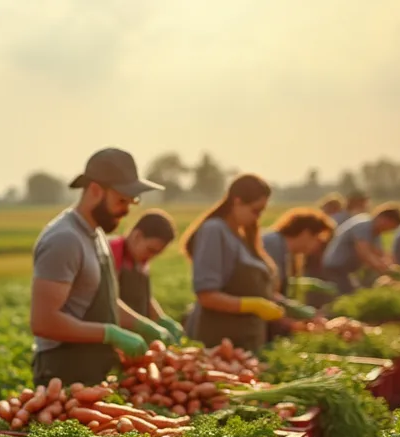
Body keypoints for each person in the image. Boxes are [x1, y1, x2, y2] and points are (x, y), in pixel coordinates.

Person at [29, 148, 174, 388]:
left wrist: (143, 325)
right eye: (121, 200)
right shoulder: (65, 239)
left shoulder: (96, 235)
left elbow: (101, 298)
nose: (127, 210)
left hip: (91, 368)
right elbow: (43, 322)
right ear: (96, 190)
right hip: (63, 372)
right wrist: (110, 333)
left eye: (131, 202)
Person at [182, 174, 314, 353]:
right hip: (220, 344)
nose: (257, 217)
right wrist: (252, 305)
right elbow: (206, 295)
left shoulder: (242, 237)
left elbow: (262, 291)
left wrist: (294, 310)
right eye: (255, 210)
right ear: (237, 202)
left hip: (246, 341)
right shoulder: (214, 231)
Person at [108, 209, 183, 338]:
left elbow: (144, 298)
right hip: (116, 336)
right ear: (137, 236)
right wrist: (143, 325)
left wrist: (161, 320)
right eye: (151, 250)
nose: (151, 257)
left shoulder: (140, 261)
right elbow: (108, 300)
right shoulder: (112, 252)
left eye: (157, 253)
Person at [319, 203, 400, 295]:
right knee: (346, 295)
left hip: (347, 270)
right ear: (384, 219)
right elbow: (364, 252)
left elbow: (379, 253)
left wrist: (390, 265)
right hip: (336, 267)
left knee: (353, 292)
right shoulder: (364, 225)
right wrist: (385, 270)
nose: (388, 230)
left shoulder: (376, 232)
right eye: (390, 226)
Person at [261, 207, 339, 300]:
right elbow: (269, 289)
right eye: (318, 239)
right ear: (306, 233)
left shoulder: (284, 249)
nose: (318, 246)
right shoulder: (273, 243)